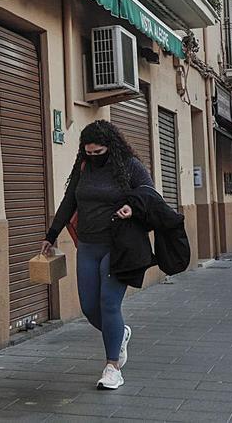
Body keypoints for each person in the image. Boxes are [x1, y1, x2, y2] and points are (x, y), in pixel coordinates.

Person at [41, 121, 153, 391]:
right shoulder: (83, 167)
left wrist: (130, 206)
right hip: (88, 246)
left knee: (109, 304)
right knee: (89, 307)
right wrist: (51, 234)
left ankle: (112, 367)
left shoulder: (128, 165)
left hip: (118, 244)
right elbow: (70, 200)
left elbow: (149, 194)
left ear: (110, 147)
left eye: (97, 152)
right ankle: (120, 333)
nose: (93, 157)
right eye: (88, 152)